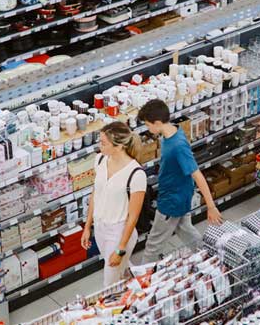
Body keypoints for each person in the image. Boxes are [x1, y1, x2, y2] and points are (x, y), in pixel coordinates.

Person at [138, 99, 223, 264]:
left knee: (153, 244)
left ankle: (142, 280)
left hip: (172, 201)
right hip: (179, 194)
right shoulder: (172, 133)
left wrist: (211, 206)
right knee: (185, 230)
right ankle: (211, 257)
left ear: (157, 123)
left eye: (148, 125)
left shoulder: (177, 146)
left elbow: (197, 174)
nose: (148, 129)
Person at [80, 121, 147, 287]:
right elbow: (96, 193)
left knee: (109, 283)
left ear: (118, 147)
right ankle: (138, 290)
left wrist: (121, 249)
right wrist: (88, 226)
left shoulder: (136, 174)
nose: (99, 145)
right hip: (101, 228)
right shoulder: (100, 160)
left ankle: (111, 311)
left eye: (103, 143)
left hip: (119, 232)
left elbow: (133, 217)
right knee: (120, 271)